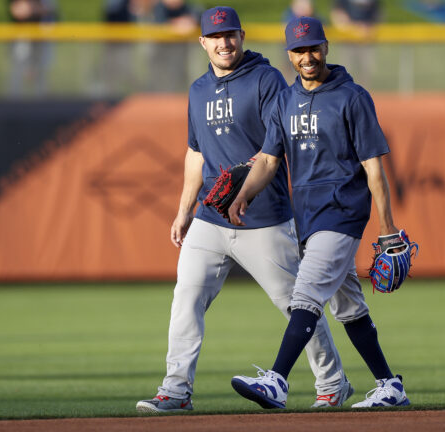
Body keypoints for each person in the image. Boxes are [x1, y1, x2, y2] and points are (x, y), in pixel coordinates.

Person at [136, 7, 351, 413]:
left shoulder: (266, 79)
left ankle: (333, 383)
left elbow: (275, 146)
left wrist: (241, 185)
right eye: (215, 37)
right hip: (210, 218)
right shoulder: (198, 90)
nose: (224, 42)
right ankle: (176, 390)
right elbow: (195, 153)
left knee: (296, 303)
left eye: (230, 34)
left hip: (264, 216)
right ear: (203, 43)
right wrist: (184, 210)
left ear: (242, 35)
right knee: (187, 297)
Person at [228, 16, 410, 409]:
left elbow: (374, 169)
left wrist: (388, 228)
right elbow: (269, 160)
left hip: (342, 210)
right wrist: (243, 195)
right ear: (288, 54)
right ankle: (388, 385)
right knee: (348, 307)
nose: (306, 56)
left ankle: (277, 380)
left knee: (305, 293)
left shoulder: (352, 96)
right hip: (308, 218)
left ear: (326, 46)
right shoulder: (284, 100)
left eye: (313, 47)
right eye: (298, 50)